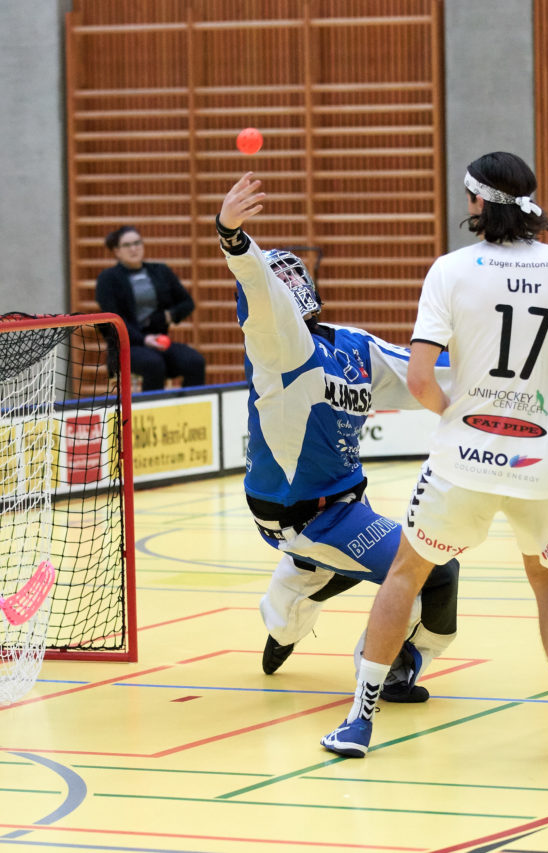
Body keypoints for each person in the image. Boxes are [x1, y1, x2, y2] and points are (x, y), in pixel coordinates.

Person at [321, 152, 548, 761]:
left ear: (477, 202)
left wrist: (457, 415)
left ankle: (359, 722)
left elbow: (420, 379)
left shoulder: (451, 270)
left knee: (406, 574)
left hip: (462, 464)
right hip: (542, 463)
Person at [216, 173, 459, 706]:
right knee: (436, 571)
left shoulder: (353, 347)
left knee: (350, 561)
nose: (287, 286)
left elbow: (430, 373)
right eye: (277, 281)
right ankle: (390, 666)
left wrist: (504, 375)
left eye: (293, 276)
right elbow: (258, 288)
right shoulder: (277, 351)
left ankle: (290, 608)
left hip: (348, 500)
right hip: (296, 513)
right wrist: (233, 237)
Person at [95, 225, 206, 391]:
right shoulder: (108, 279)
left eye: (137, 243)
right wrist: (144, 340)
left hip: (159, 343)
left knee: (195, 361)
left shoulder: (160, 271)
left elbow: (187, 303)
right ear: (117, 251)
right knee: (153, 364)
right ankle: (152, 412)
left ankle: (188, 410)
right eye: (127, 245)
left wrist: (168, 316)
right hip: (127, 347)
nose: (134, 248)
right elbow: (114, 320)